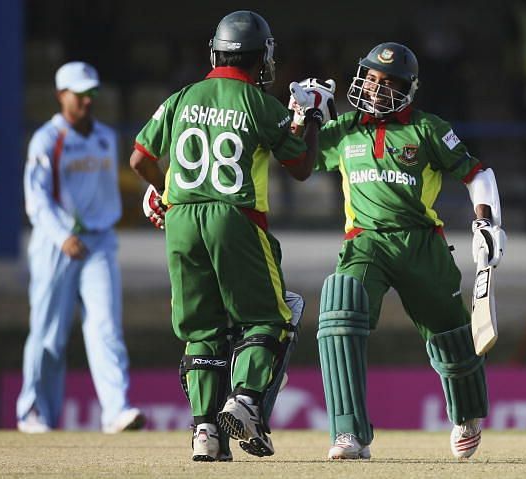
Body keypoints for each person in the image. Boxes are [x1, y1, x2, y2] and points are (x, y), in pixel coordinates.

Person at [290, 42, 506, 460]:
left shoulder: (428, 128)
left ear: (408, 88)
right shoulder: (345, 129)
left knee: (453, 341)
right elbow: (296, 161)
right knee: (339, 311)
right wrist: (304, 119)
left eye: (387, 82)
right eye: (370, 78)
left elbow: (477, 173)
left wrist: (486, 222)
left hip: (421, 242)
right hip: (365, 242)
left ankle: (466, 413)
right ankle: (349, 433)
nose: (374, 88)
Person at [129, 11, 329, 461]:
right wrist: (311, 119)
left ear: (217, 52)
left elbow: (140, 158)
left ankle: (204, 430)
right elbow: (301, 168)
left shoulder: (182, 97)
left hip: (180, 220)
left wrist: (165, 191)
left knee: (202, 327)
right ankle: (245, 399)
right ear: (261, 59)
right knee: (268, 319)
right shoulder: (260, 104)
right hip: (234, 218)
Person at [17, 61, 145, 434]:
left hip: (99, 241)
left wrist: (103, 225)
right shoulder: (47, 140)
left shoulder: (105, 137)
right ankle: (33, 412)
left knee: (106, 327)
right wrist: (62, 234)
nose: (88, 101)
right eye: (80, 94)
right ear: (61, 95)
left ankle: (115, 410)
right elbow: (36, 199)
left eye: (92, 94)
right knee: (48, 334)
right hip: (57, 244)